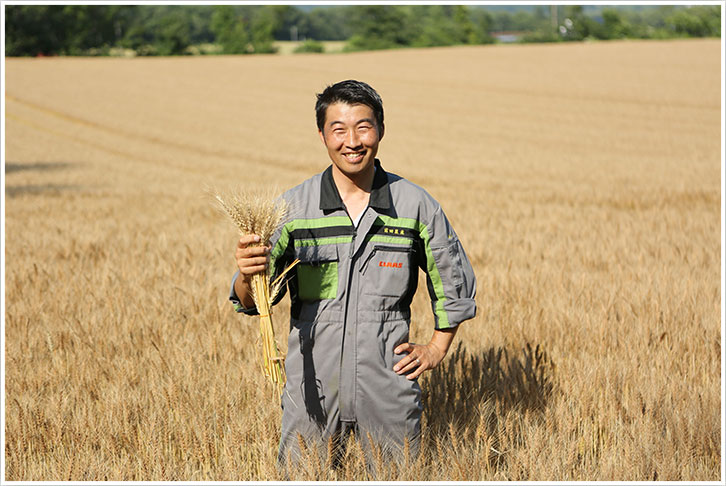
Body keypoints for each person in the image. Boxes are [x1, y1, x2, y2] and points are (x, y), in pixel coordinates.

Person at [229, 79, 477, 466]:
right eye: (338, 129)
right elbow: (253, 301)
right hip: (312, 387)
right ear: (322, 135)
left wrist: (436, 349)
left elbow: (453, 280)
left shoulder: (413, 205)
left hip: (387, 386)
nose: (353, 141)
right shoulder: (294, 210)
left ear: (380, 129)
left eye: (364, 127)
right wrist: (246, 275)